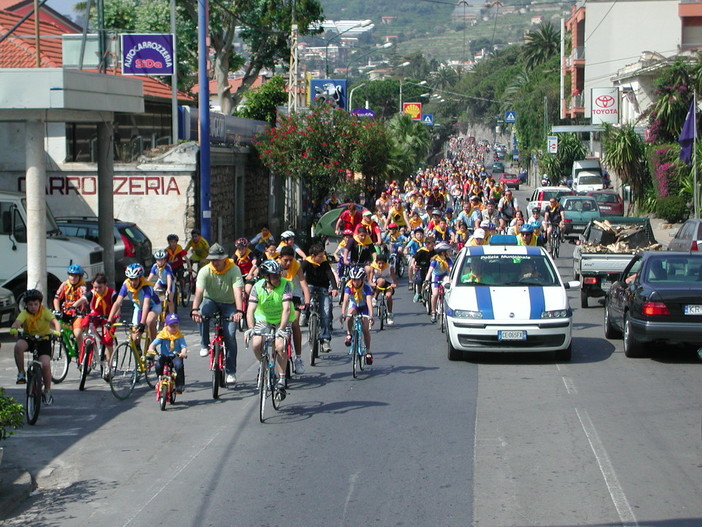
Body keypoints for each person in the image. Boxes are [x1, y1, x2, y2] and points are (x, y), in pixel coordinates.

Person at [190, 243, 244, 385]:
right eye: (212, 259)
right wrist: (194, 309)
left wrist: (239, 311)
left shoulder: (234, 270)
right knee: (202, 313)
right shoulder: (205, 271)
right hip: (211, 300)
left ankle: (231, 372)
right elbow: (199, 293)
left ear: (224, 259)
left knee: (230, 335)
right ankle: (204, 344)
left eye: (218, 259)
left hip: (229, 303)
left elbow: (238, 293)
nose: (215, 262)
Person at [245, 260, 292, 400]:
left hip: (281, 319)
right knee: (256, 343)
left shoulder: (286, 284)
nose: (278, 278)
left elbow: (287, 309)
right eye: (275, 276)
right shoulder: (257, 287)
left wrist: (282, 329)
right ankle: (263, 364)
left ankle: (282, 379)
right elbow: (250, 311)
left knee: (280, 346)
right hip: (263, 318)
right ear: (266, 277)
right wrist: (251, 328)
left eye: (279, 275)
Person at [10, 289, 61, 404]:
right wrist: (14, 329)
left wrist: (58, 332)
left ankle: (47, 391)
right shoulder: (25, 313)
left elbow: (55, 322)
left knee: (46, 364)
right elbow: (17, 322)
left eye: (36, 304)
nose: (33, 307)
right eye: (30, 304)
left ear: (40, 304)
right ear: (26, 305)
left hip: (44, 340)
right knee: (18, 346)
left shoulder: (44, 312)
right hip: (29, 339)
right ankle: (21, 373)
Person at [72, 273, 118, 380]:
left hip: (109, 316)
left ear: (105, 285)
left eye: (99, 287)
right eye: (95, 287)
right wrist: (73, 307)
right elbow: (83, 299)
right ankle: (88, 349)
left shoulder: (112, 294)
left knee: (107, 339)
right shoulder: (92, 293)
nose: (97, 289)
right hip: (96, 314)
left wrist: (111, 319)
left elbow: (117, 307)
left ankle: (109, 365)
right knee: (85, 322)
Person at [108, 263, 162, 343]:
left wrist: (142, 323)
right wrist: (109, 320)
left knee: (149, 320)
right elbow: (117, 302)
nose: (133, 282)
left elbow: (146, 305)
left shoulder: (146, 287)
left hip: (153, 306)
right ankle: (138, 351)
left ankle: (152, 346)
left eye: (135, 279)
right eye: (131, 279)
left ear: (140, 278)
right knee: (135, 338)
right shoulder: (126, 285)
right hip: (139, 307)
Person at [278, 245, 311, 372]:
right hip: (279, 298)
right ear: (280, 258)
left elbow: (304, 285)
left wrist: (306, 302)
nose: (288, 263)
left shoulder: (296, 266)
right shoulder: (275, 267)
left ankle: (298, 358)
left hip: (294, 296)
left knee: (295, 324)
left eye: (290, 260)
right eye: (285, 260)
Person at [301, 243, 338, 352]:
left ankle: (325, 339)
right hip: (310, 286)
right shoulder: (306, 262)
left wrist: (335, 288)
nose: (322, 258)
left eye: (323, 256)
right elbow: (300, 275)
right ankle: (305, 313)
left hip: (323, 287)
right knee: (306, 292)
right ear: (312, 256)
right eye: (320, 256)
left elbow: (330, 275)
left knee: (326, 312)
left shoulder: (324, 263)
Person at [340, 266, 374, 365]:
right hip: (354, 305)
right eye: (354, 280)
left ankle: (368, 351)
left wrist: (371, 315)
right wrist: (343, 313)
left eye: (358, 280)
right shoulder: (349, 286)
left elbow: (369, 301)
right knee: (349, 315)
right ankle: (349, 334)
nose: (355, 282)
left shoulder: (366, 287)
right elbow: (345, 300)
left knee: (365, 330)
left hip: (364, 307)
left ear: (362, 279)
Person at [147, 313, 187, 394]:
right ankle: (160, 379)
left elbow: (183, 347)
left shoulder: (179, 336)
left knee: (179, 366)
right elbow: (154, 343)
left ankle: (180, 386)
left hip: (176, 355)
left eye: (176, 325)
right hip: (164, 355)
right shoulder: (162, 335)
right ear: (166, 325)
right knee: (158, 365)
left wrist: (183, 353)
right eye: (171, 326)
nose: (174, 328)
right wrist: (151, 348)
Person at [53, 264, 88, 354]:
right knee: (49, 322)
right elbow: (57, 298)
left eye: (76, 276)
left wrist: (75, 306)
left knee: (77, 334)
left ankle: (82, 355)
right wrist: (57, 311)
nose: (73, 278)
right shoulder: (64, 284)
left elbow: (83, 298)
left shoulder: (82, 287)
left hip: (78, 314)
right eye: (71, 275)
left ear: (80, 277)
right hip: (65, 312)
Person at [426, 242, 452, 323]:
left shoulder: (449, 260)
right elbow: (430, 271)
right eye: (447, 251)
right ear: (442, 252)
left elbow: (451, 270)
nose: (449, 252)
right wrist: (427, 280)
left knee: (448, 286)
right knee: (435, 294)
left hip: (445, 276)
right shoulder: (435, 260)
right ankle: (433, 311)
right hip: (436, 277)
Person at [369, 252, 396, 324]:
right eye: (379, 263)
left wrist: (394, 284)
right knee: (381, 280)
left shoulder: (390, 267)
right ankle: (375, 298)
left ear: (386, 263)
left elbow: (393, 278)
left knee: (389, 296)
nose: (381, 265)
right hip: (377, 282)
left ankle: (390, 314)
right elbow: (370, 276)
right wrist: (371, 283)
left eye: (383, 263)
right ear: (376, 262)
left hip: (388, 283)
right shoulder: (373, 266)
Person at [148, 249, 175, 314]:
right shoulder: (154, 266)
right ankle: (159, 306)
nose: (160, 262)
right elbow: (150, 277)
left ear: (165, 260)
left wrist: (168, 288)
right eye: (158, 260)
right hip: (161, 281)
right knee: (154, 290)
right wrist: (147, 286)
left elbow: (169, 278)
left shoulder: (167, 267)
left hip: (170, 282)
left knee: (170, 300)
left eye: (162, 259)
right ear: (156, 260)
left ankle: (171, 315)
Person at [411, 236, 436, 302]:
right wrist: (413, 264)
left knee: (431, 279)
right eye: (431, 245)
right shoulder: (421, 251)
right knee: (419, 279)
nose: (432, 247)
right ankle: (418, 293)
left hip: (429, 267)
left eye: (433, 245)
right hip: (420, 267)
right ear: (427, 244)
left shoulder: (434, 252)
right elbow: (414, 258)